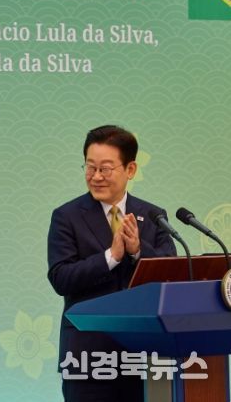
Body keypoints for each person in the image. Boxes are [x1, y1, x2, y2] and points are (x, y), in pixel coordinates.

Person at [47, 125, 176, 402]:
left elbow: (171, 272)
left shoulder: (153, 215)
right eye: (90, 167)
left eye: (105, 169)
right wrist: (111, 257)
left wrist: (138, 251)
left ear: (130, 169)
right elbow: (61, 277)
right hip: (89, 359)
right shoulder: (67, 216)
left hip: (145, 356)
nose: (96, 177)